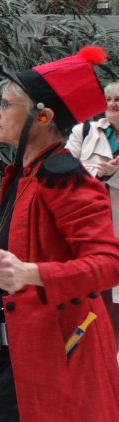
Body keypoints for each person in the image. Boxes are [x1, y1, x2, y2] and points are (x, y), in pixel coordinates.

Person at [0, 46, 119, 422]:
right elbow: (15, 235)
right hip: (19, 336)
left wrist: (32, 273)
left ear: (44, 117)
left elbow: (108, 264)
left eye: (6, 104)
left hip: (63, 341)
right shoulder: (24, 172)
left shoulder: (70, 180)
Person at [65, 79, 119, 337]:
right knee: (91, 296)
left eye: (118, 99)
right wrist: (101, 175)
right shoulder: (85, 131)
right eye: (109, 99)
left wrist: (114, 175)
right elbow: (63, 171)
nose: (112, 104)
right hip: (90, 227)